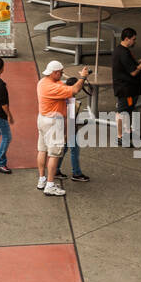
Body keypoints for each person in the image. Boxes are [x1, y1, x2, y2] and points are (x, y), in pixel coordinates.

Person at [37, 59, 91, 195]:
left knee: (42, 150)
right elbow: (75, 90)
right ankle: (50, 185)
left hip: (42, 119)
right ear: (54, 73)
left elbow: (64, 85)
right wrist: (83, 77)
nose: (61, 75)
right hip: (53, 123)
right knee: (54, 154)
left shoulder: (43, 82)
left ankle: (42, 179)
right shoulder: (54, 87)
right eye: (60, 73)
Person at [112, 28, 141, 146]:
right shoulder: (123, 53)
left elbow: (130, 63)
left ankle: (127, 131)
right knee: (122, 112)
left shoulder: (122, 50)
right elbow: (133, 72)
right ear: (126, 39)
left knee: (127, 111)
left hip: (129, 89)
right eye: (133, 39)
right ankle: (120, 137)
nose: (135, 41)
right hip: (125, 90)